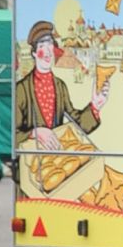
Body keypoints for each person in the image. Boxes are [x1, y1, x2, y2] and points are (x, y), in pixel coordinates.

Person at [15, 21, 108, 153]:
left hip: (55, 160)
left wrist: (95, 106)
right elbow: (12, 134)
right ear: (34, 53)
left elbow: (77, 124)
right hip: (30, 164)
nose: (47, 51)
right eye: (42, 46)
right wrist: (34, 133)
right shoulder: (21, 89)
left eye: (50, 45)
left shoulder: (60, 86)